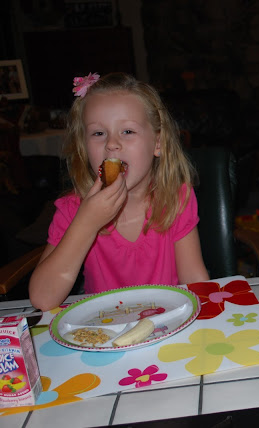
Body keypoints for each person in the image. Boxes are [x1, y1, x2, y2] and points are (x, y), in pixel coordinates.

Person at [29, 72, 209, 311]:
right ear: (84, 146)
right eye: (98, 133)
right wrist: (86, 223)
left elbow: (195, 280)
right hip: (102, 326)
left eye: (127, 131)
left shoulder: (176, 198)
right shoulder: (72, 209)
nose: (111, 144)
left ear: (158, 143)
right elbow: (42, 299)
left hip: (170, 320)